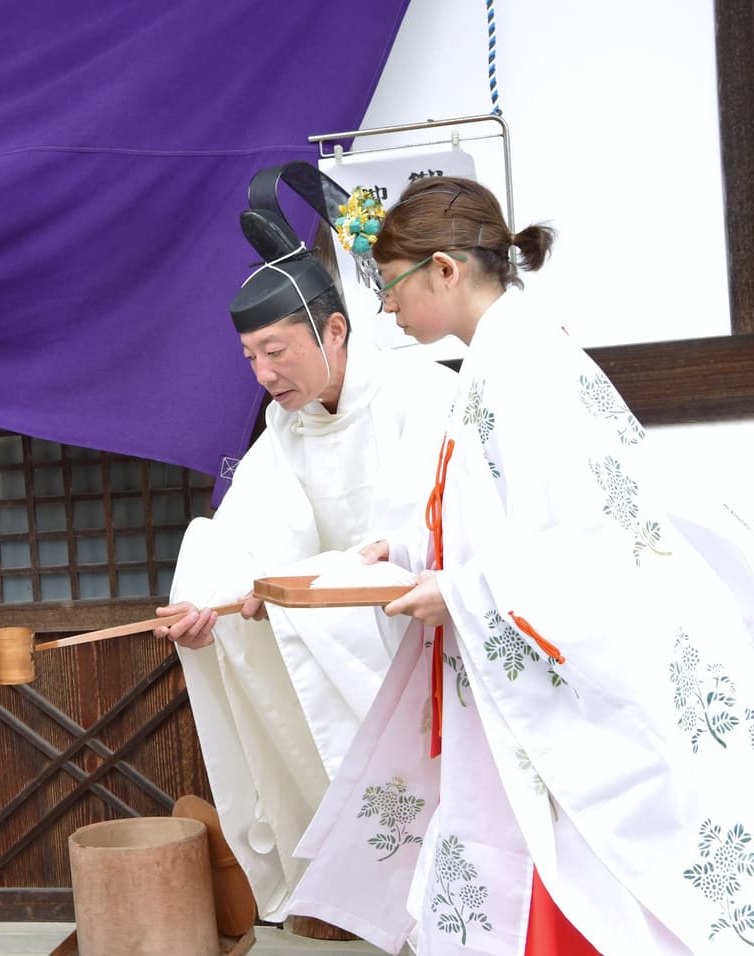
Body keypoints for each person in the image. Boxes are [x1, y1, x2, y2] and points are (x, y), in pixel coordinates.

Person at [288, 176, 754, 955]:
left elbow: (590, 541)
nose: (387, 307)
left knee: (574, 868)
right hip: (507, 660)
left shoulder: (526, 365)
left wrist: (462, 591)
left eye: (391, 283)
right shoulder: (501, 357)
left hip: (545, 672)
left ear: (445, 270)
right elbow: (496, 512)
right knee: (517, 855)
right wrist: (407, 551)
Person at [152, 162, 457, 924]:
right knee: (210, 552)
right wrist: (207, 604)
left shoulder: (419, 393)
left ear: (335, 330)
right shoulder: (286, 427)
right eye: (250, 358)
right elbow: (243, 535)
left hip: (423, 636)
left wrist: (299, 588)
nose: (263, 374)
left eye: (276, 351)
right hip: (333, 638)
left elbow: (424, 535)